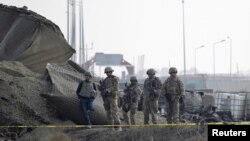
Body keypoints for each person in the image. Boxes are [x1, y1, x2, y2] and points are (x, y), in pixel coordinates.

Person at [99, 67, 122, 131]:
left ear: (111, 72)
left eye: (109, 72)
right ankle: (110, 128)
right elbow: (101, 88)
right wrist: (100, 86)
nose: (108, 73)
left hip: (112, 98)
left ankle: (118, 128)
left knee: (114, 113)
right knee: (108, 113)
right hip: (106, 98)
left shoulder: (115, 79)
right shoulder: (105, 80)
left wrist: (108, 90)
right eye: (107, 72)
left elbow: (116, 88)